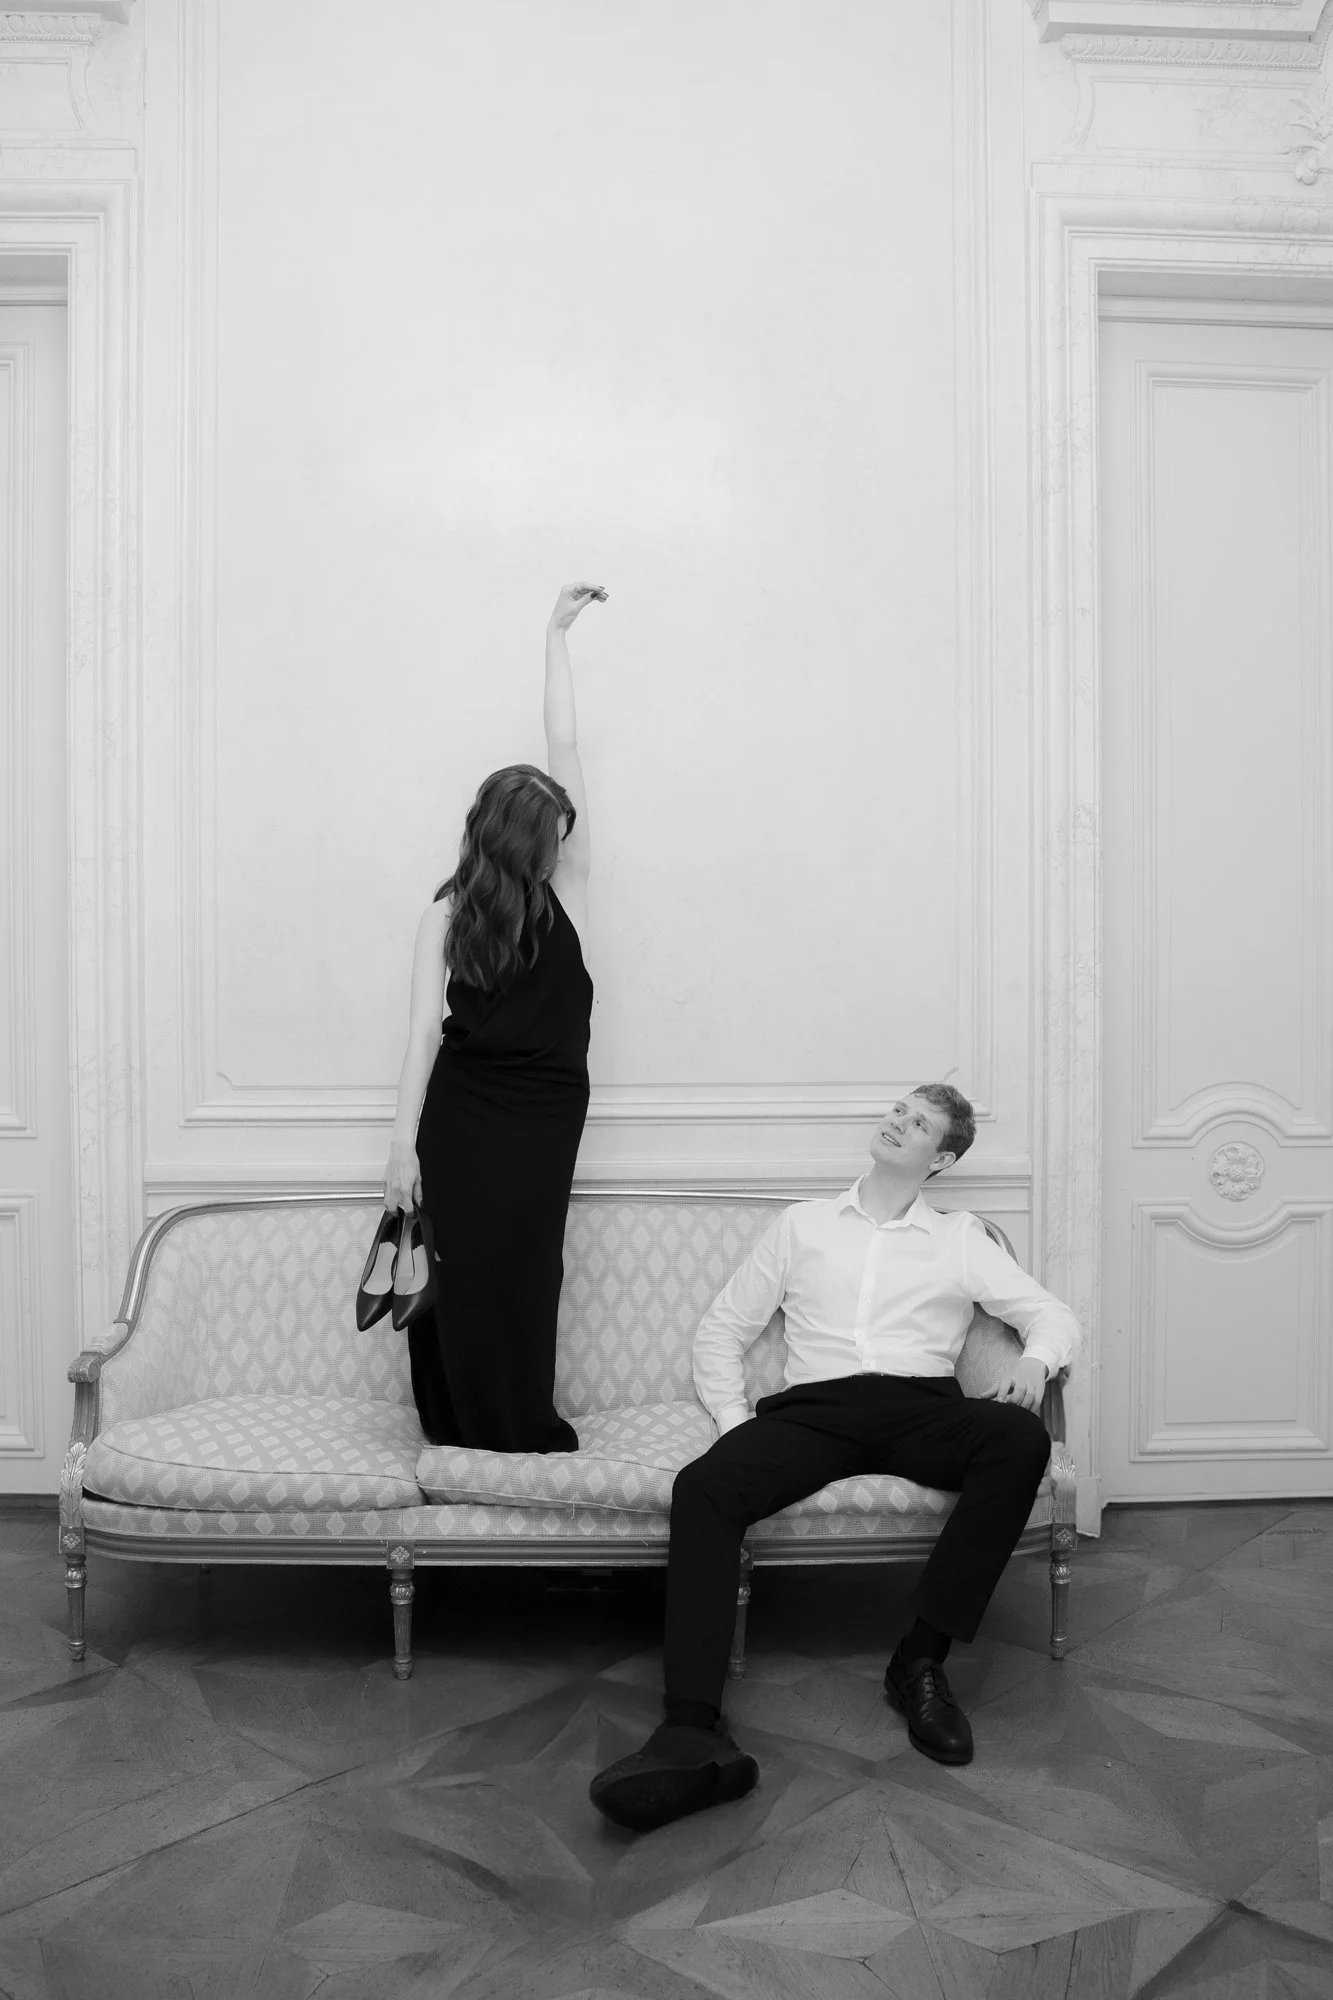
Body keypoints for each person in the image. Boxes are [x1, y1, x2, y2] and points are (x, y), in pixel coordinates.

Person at [589, 1082, 1080, 1831]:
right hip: (815, 1413)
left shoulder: (957, 1239)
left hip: (920, 1408)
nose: (897, 1123)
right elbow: (720, 1330)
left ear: (940, 1158)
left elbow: (1050, 1314)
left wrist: (1037, 1362)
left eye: (918, 1124)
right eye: (897, 1111)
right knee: (703, 1489)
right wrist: (732, 1421)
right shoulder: (802, 1225)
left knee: (1019, 1439)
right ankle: (691, 1729)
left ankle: (919, 1660)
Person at [383, 582, 606, 1452]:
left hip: (546, 1114)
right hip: (462, 1116)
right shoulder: (443, 916)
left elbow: (566, 741)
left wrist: (554, 635)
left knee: (524, 1266)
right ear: (520, 838)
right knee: (458, 1269)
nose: (566, 840)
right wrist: (401, 1146)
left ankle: (515, 1423)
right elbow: (417, 1040)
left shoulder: (572, 893)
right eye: (552, 829)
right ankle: (455, 1426)